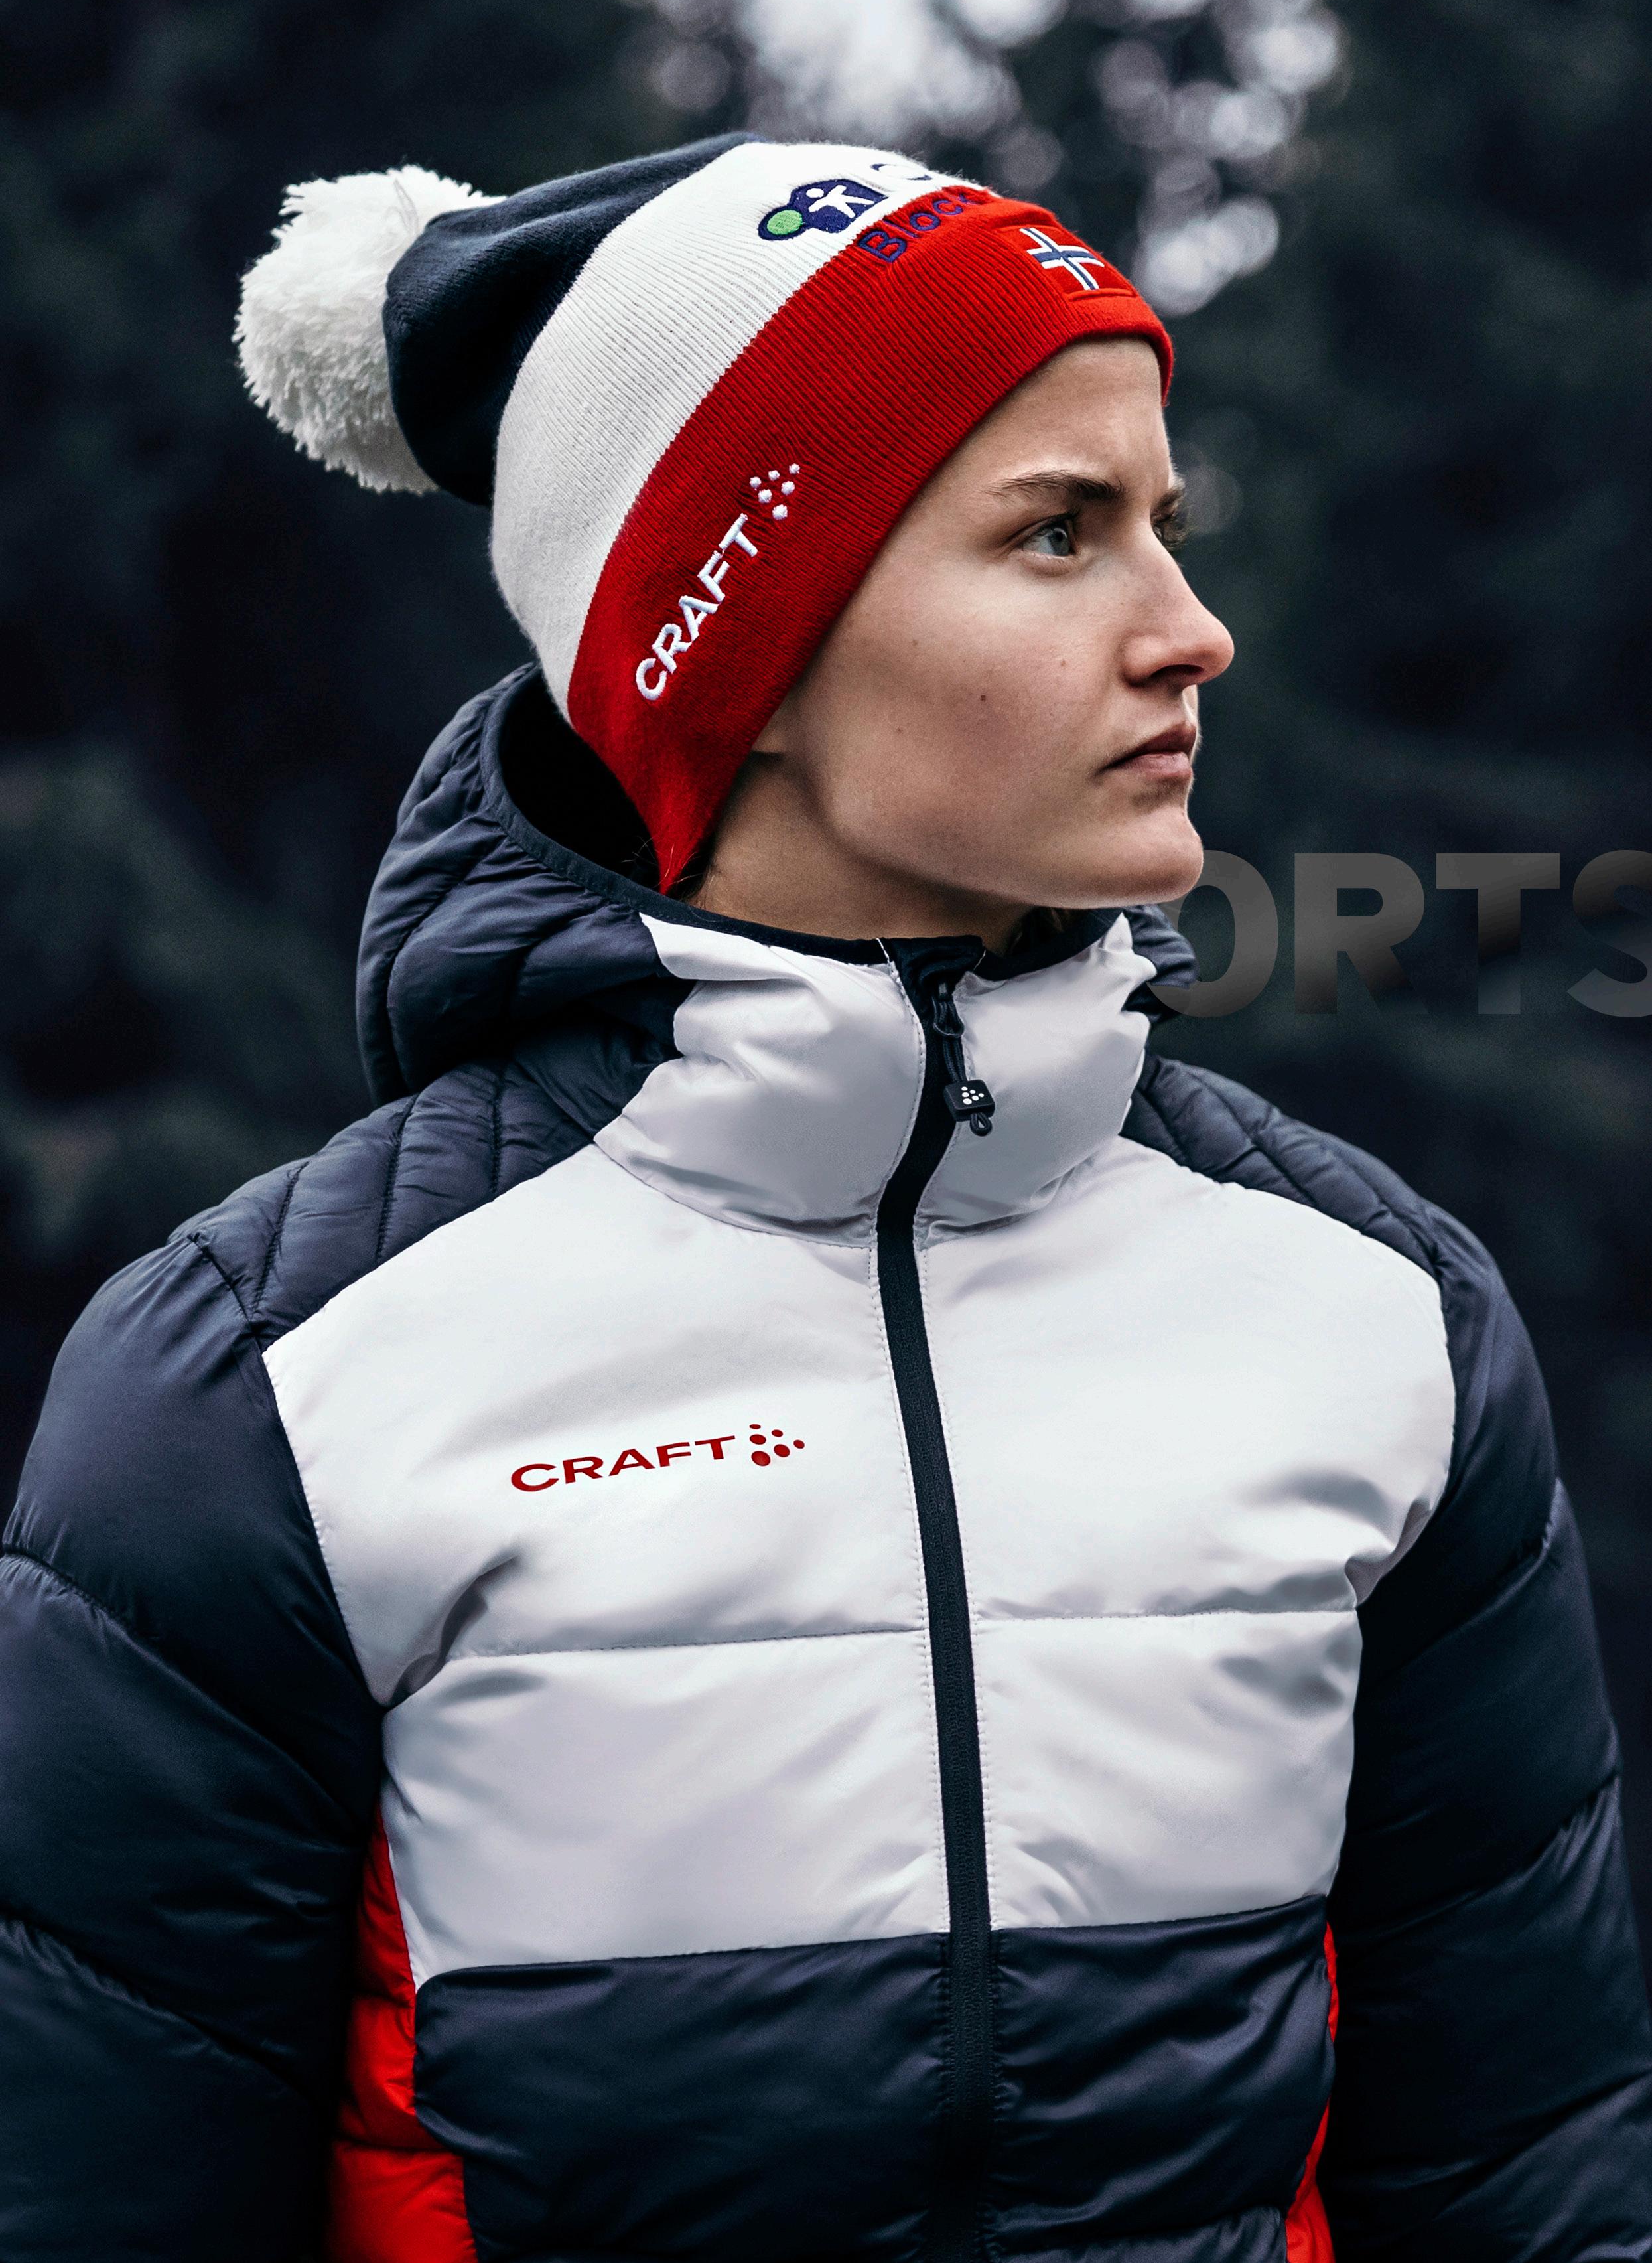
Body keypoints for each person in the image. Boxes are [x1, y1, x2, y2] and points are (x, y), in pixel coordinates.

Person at [0, 132, 1647, 2263]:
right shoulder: (261, 1388)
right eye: (1056, 533)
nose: (1190, 633)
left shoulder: (1380, 1315)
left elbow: (1527, 2180)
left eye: (1163, 524)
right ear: (738, 646)